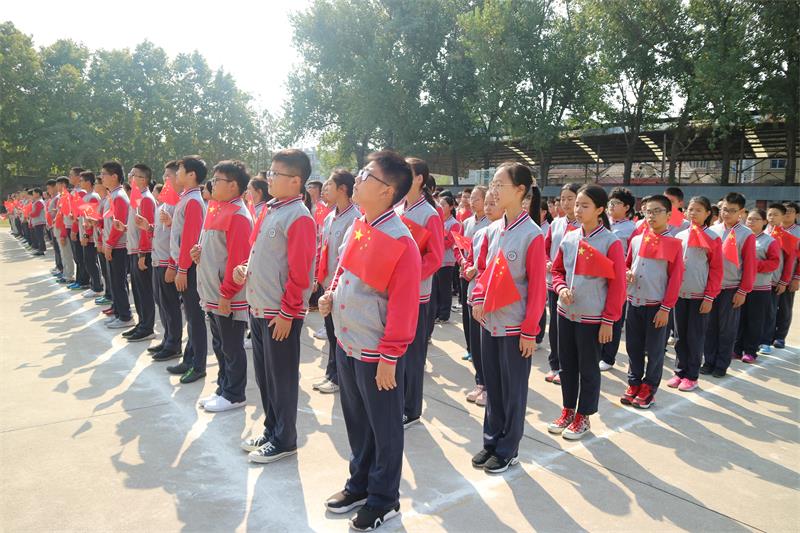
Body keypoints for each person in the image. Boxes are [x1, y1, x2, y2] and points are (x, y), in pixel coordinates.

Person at [320, 150, 420, 531]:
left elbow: (404, 306)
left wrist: (390, 356)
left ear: (387, 190)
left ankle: (384, 499)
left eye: (366, 175)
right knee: (357, 421)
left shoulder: (401, 241)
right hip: (347, 342)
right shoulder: (359, 225)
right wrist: (331, 293)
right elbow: (342, 269)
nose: (358, 179)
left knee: (384, 428)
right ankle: (359, 484)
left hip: (376, 352)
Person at [237, 148, 316, 464]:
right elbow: (263, 255)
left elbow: (300, 272)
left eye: (275, 173)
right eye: (270, 172)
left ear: (295, 180)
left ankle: (285, 439)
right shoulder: (271, 210)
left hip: (278, 313)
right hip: (259, 308)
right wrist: (245, 268)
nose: (269, 178)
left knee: (281, 378)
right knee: (265, 377)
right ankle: (272, 430)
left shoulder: (299, 216)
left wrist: (287, 312)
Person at [470, 162, 545, 473]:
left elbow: (538, 288)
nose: (494, 190)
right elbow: (484, 273)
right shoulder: (493, 230)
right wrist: (477, 297)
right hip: (489, 321)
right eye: (493, 184)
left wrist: (529, 330)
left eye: (500, 184)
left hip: (515, 326)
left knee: (513, 390)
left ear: (520, 190)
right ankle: (491, 441)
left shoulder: (532, 234)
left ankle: (508, 448)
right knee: (494, 386)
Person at [548, 184, 625, 439]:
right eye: (576, 205)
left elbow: (617, 286)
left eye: (584, 205)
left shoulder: (610, 242)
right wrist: (561, 289)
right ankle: (568, 410)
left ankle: (584, 416)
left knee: (588, 368)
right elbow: (557, 271)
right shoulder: (570, 238)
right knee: (567, 365)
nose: (577, 209)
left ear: (600, 210)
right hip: (565, 313)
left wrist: (609, 321)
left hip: (592, 317)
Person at [193, 160, 254, 412]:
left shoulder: (238, 215)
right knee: (219, 344)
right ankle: (223, 387)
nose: (212, 184)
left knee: (231, 346)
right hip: (213, 292)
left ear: (233, 185)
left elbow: (238, 259)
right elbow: (217, 248)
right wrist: (199, 252)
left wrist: (227, 294)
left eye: (217, 180)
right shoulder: (218, 208)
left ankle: (234, 394)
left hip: (227, 295)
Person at [621, 194, 684, 408]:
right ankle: (634, 382)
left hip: (656, 305)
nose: (652, 216)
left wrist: (666, 308)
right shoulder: (637, 239)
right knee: (633, 346)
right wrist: (627, 272)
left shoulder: (674, 244)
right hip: (634, 301)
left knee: (655, 350)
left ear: (668, 215)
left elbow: (675, 279)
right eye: (648, 211)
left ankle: (649, 387)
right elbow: (627, 264)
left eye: (657, 211)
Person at [396, 157, 444, 429]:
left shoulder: (429, 214)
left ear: (419, 179)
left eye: (407, 173)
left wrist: (409, 276)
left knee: (413, 355)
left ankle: (411, 409)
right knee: (397, 351)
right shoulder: (397, 209)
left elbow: (435, 257)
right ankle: (399, 401)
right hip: (395, 292)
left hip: (417, 294)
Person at [668, 196, 723, 392]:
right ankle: (679, 371)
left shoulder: (713, 238)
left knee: (695, 337)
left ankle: (692, 376)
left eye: (699, 210)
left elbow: (716, 269)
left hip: (699, 296)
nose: (693, 213)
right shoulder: (680, 235)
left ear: (708, 213)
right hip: (679, 295)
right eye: (690, 209)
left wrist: (709, 296)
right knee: (680, 336)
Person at [312, 169, 359, 395]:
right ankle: (332, 373)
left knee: (339, 335)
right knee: (331, 333)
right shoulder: (330, 216)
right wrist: (317, 277)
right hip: (327, 284)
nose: (325, 190)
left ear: (343, 189)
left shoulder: (355, 218)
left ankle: (339, 377)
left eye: (329, 185)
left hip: (341, 287)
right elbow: (322, 249)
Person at [164, 156, 208, 384]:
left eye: (180, 169)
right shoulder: (186, 198)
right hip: (184, 266)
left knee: (195, 318)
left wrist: (181, 269)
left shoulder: (193, 201)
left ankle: (198, 365)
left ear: (192, 175)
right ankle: (189, 359)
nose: (176, 174)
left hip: (189, 269)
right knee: (190, 316)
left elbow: (190, 239)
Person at [702, 192, 756, 377]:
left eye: (732, 211)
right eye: (724, 209)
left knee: (727, 329)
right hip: (711, 288)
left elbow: (750, 265)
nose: (727, 214)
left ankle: (721, 364)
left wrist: (743, 291)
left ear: (741, 212)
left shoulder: (746, 234)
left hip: (731, 288)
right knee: (709, 327)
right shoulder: (712, 230)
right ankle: (708, 361)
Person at [463, 188, 499, 406]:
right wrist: (468, 267)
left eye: (492, 203)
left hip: (490, 299)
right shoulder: (479, 233)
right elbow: (471, 258)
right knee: (476, 345)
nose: (488, 207)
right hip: (473, 294)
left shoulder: (501, 233)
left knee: (488, 349)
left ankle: (490, 386)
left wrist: (477, 269)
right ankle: (480, 383)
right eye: (486, 203)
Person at [543, 183, 580, 384]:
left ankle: (569, 368)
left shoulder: (585, 226)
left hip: (575, 286)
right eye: (563, 199)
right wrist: (547, 261)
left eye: (570, 199)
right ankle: (555, 364)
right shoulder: (555, 224)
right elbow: (545, 248)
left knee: (571, 331)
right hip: (554, 282)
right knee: (556, 328)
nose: (565, 203)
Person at [733, 209, 780, 363]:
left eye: (756, 219)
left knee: (755, 321)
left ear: (764, 222)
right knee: (739, 319)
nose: (751, 222)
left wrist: (753, 264)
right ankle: (737, 349)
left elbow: (774, 263)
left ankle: (750, 351)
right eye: (749, 219)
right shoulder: (741, 237)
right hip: (739, 286)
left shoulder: (769, 241)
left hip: (759, 288)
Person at [149, 161, 184, 362]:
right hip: (158, 259)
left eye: (168, 175)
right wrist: (148, 227)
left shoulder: (179, 203)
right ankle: (167, 337)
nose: (165, 179)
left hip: (167, 261)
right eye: (164, 176)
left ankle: (174, 344)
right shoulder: (164, 203)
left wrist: (173, 264)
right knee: (161, 303)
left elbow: (179, 237)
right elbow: (161, 232)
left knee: (170, 305)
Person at [600, 186, 637, 371]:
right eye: (610, 202)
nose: (611, 206)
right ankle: (598, 352)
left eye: (616, 203)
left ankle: (608, 357)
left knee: (614, 318)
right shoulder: (602, 224)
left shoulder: (632, 229)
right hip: (600, 276)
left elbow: (634, 255)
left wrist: (628, 270)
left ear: (627, 207)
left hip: (618, 277)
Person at [122, 165, 157, 342]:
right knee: (137, 291)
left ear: (143, 179)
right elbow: (137, 225)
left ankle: (147, 327)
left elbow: (146, 228)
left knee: (144, 292)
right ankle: (142, 322)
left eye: (133, 175)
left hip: (142, 252)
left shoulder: (146, 199)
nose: (129, 177)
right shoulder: (137, 198)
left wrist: (143, 254)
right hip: (134, 250)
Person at [100, 161, 135, 330]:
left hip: (118, 247)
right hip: (113, 245)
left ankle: (125, 316)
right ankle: (119, 312)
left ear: (114, 176)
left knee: (118, 282)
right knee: (114, 282)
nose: (101, 177)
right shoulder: (113, 195)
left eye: (104, 174)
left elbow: (118, 225)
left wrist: (109, 244)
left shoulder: (119, 196)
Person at [456, 186, 488, 362]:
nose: (472, 202)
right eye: (471, 198)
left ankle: (478, 353)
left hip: (480, 276)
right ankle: (470, 348)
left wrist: (474, 268)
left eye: (476, 199)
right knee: (466, 315)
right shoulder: (467, 222)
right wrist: (462, 262)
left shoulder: (490, 223)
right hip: (465, 273)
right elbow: (458, 246)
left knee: (477, 316)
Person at [761, 204, 795, 355]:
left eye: (776, 215)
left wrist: (784, 281)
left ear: (782, 217)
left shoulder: (788, 237)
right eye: (770, 214)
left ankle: (766, 341)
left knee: (771, 311)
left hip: (774, 281)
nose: (772, 217)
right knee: (757, 312)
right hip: (756, 281)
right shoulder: (759, 233)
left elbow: (790, 262)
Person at [771, 201, 800, 349]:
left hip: (789, 277)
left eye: (791, 211)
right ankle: (768, 335)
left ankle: (780, 336)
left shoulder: (798, 232)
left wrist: (796, 278)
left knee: (784, 307)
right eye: (785, 210)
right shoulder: (774, 230)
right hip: (772, 277)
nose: (787, 213)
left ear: (797, 215)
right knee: (770, 308)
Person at [434, 195, 461, 323]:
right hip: (437, 260)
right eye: (440, 204)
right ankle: (436, 313)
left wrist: (435, 242)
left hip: (447, 260)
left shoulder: (454, 224)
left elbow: (450, 242)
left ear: (451, 207)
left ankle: (444, 315)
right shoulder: (439, 220)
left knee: (444, 289)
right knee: (436, 289)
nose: (441, 207)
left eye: (443, 204)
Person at [77, 171, 104, 299]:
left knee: (91, 261)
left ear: (88, 182)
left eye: (82, 180)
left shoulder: (92, 197)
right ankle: (94, 285)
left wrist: (86, 236)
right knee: (89, 261)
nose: (80, 183)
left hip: (92, 236)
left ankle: (97, 287)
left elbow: (91, 218)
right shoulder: (87, 196)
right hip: (88, 234)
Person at [28, 188, 46, 256]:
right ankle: (40, 249)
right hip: (38, 221)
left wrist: (29, 214)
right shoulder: (38, 201)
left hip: (39, 221)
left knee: (40, 236)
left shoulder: (39, 202)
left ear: (38, 194)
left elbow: (36, 213)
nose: (33, 195)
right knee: (39, 236)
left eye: (34, 193)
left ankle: (41, 250)